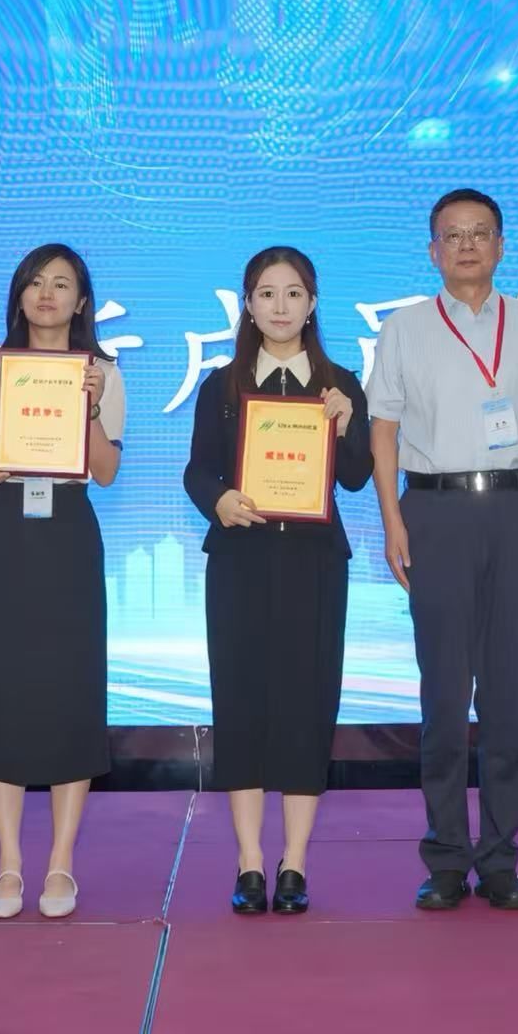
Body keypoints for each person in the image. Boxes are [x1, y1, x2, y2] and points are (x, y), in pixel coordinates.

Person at [364, 189, 518, 912]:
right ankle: (447, 858)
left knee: (508, 693)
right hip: (435, 511)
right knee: (445, 695)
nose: (466, 245)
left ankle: (501, 859)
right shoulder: (405, 328)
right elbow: (383, 431)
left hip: (516, 509)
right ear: (432, 251)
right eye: (451, 235)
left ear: (500, 245)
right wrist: (393, 521)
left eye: (479, 233)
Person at [184, 247, 373, 915]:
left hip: (314, 563)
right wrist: (220, 500)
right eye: (267, 293)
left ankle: (293, 863)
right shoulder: (222, 385)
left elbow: (356, 476)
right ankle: (249, 863)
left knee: (306, 702)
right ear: (248, 304)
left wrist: (346, 423)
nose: (281, 306)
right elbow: (197, 471)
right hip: (241, 561)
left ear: (312, 304)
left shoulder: (340, 383)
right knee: (240, 703)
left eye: (294, 293)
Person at [0, 243, 125, 921]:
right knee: (4, 688)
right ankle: (10, 863)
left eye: (62, 284)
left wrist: (92, 407)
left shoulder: (103, 373)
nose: (47, 294)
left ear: (82, 301)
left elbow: (105, 471)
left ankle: (60, 862)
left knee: (69, 688)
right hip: (7, 530)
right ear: (19, 295)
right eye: (35, 282)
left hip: (68, 533)